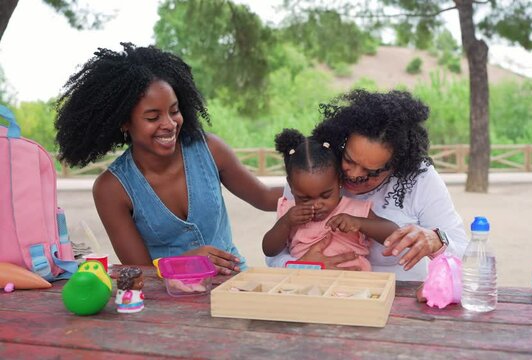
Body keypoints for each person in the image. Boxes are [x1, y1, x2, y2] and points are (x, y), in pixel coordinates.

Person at [55, 43, 282, 274]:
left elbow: (265, 197)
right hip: (168, 302)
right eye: (153, 117)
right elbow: (139, 271)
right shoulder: (111, 189)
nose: (170, 124)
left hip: (232, 285)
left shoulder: (210, 149)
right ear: (124, 122)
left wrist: (314, 185)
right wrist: (183, 263)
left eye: (174, 111)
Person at [267, 89, 468, 281]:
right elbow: (274, 254)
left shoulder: (420, 179)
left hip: (398, 298)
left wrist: (437, 241)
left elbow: (465, 254)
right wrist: (301, 265)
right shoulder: (313, 170)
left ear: (397, 165)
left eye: (371, 171)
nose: (354, 175)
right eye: (349, 160)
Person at [263, 129, 399, 271]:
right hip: (304, 283)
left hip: (354, 284)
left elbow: (393, 233)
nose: (316, 205)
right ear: (290, 186)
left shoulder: (354, 210)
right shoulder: (289, 212)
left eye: (326, 195)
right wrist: (285, 222)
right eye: (304, 199)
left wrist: (359, 223)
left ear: (339, 181)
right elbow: (269, 250)